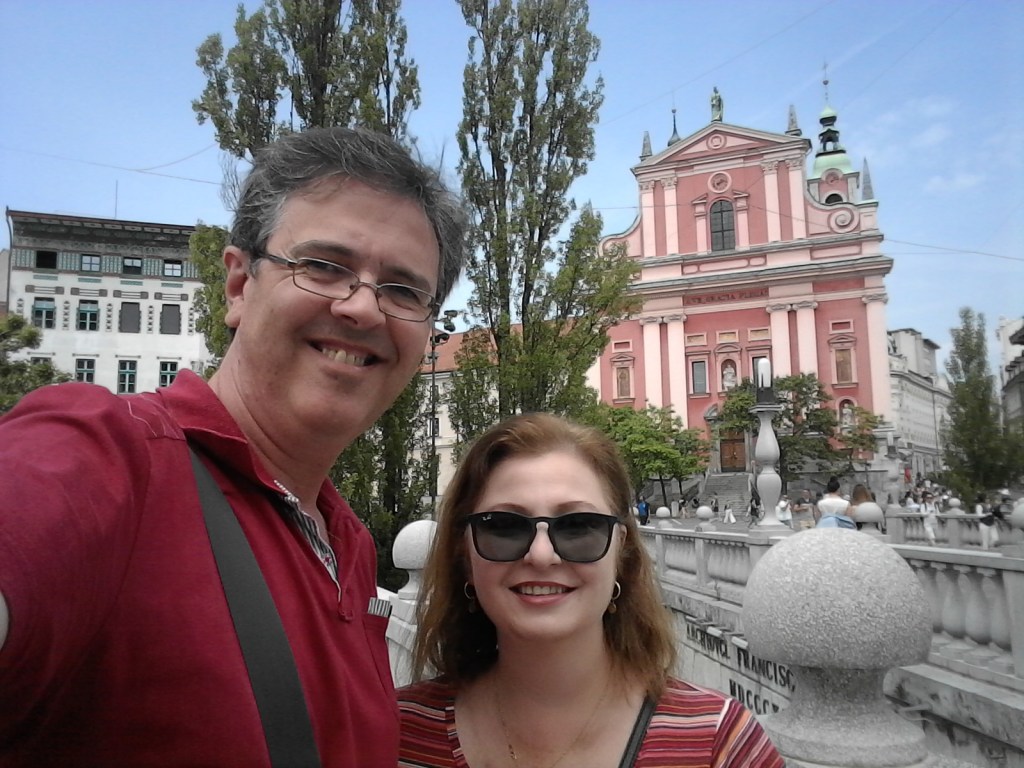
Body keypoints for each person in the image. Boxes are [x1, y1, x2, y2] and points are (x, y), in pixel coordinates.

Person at [0, 127, 467, 766]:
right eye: (325, 266)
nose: (363, 308)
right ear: (240, 285)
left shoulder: (348, 545)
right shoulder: (110, 456)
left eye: (403, 290)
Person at [398, 413, 783, 768]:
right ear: (464, 554)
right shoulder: (398, 735)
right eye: (503, 526)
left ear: (622, 552)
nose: (541, 555)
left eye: (579, 526)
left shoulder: (718, 744)